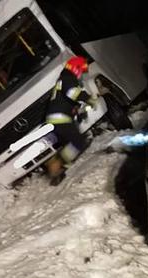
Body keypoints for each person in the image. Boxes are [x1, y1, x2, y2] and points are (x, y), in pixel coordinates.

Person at [43, 55, 97, 186]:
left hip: (57, 119)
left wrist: (76, 108)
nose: (81, 75)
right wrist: (88, 98)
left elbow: (67, 99)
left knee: (71, 143)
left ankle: (54, 164)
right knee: (78, 142)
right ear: (76, 69)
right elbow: (73, 93)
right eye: (81, 71)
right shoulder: (68, 78)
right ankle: (55, 166)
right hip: (60, 119)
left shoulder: (63, 79)